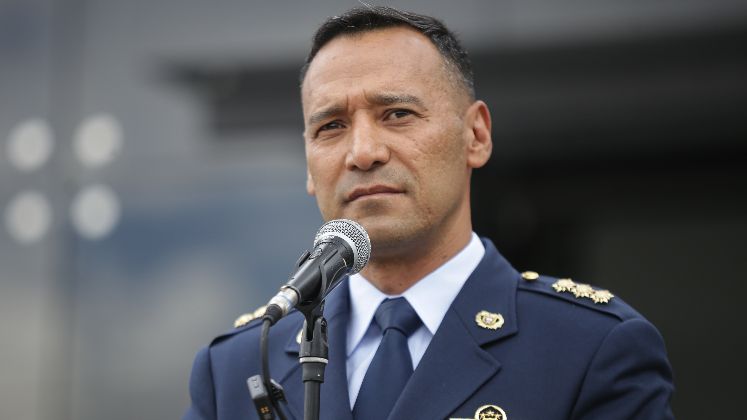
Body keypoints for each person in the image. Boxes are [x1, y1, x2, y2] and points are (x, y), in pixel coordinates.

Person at [184, 6, 674, 420]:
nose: (363, 152)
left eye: (397, 114)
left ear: (475, 136)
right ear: (310, 165)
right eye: (331, 126)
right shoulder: (238, 368)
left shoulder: (587, 348)